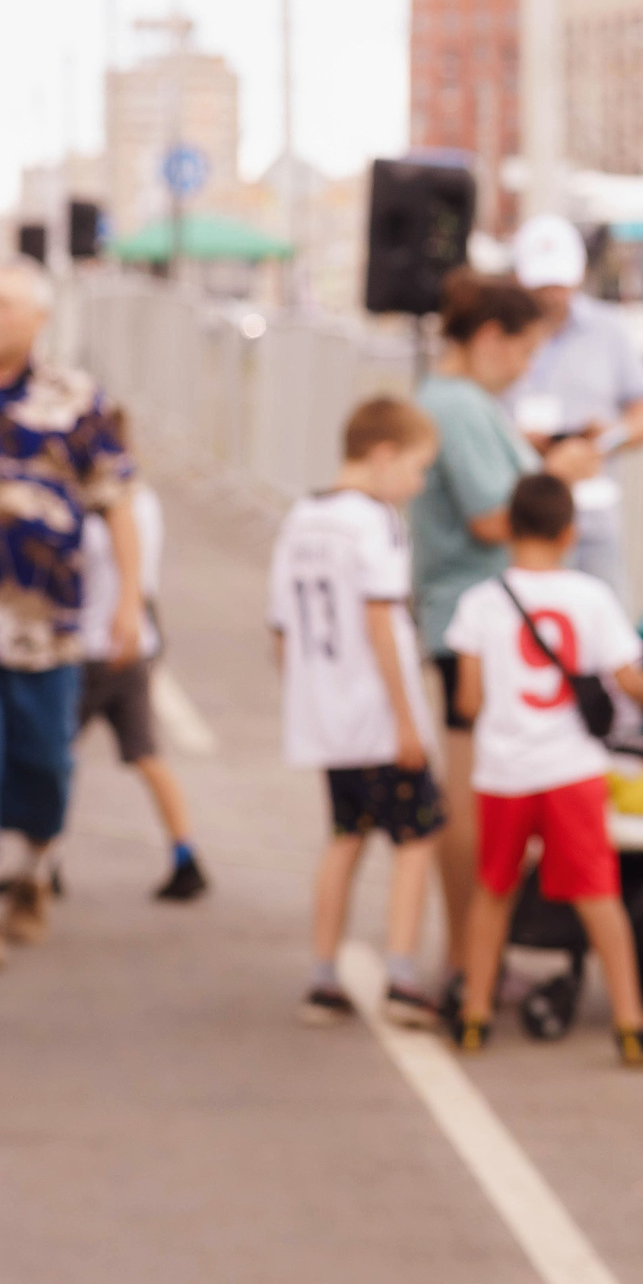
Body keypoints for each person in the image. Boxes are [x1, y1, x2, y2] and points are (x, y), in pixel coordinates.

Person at [0, 257, 142, 970]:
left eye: (5, 305)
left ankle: (35, 863)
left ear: (38, 320)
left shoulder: (77, 401)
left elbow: (118, 500)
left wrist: (131, 600)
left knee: (46, 762)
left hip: (48, 623)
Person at [412, 269, 594, 988]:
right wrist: (563, 474)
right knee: (470, 794)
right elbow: (494, 516)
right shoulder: (458, 407)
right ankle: (466, 956)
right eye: (523, 352)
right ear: (491, 338)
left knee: (475, 789)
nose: (525, 371)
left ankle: (470, 956)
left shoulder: (456, 403)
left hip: (469, 617)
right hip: (477, 619)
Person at [444, 473, 643, 1065]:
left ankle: (474, 1015)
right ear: (571, 533)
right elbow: (629, 679)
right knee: (598, 895)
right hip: (571, 770)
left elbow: (466, 704)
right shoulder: (591, 598)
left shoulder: (479, 602)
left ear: (509, 529)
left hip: (504, 771)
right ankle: (630, 1025)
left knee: (493, 892)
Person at [270, 396, 448, 1029]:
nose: (417, 484)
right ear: (383, 455)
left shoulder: (301, 518)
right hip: (374, 712)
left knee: (346, 835)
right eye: (417, 468)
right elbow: (381, 618)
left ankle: (323, 972)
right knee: (417, 835)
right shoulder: (378, 522)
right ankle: (400, 971)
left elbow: (281, 632)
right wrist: (407, 718)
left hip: (326, 714)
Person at [73, 409, 208, 902]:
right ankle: (184, 850)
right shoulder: (145, 501)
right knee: (146, 754)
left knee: (54, 757)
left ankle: (39, 861)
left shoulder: (96, 507)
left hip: (93, 641)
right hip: (137, 641)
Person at [505, 214, 643, 607]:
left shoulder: (610, 330)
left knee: (602, 636)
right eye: (540, 284)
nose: (550, 294)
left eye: (558, 282)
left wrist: (603, 440)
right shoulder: (497, 332)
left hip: (590, 519)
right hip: (514, 517)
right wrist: (519, 441)